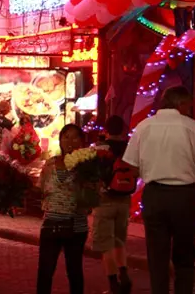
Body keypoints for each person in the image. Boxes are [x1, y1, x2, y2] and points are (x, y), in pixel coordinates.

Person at [123, 86, 195, 294]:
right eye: (188, 106)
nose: (189, 110)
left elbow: (131, 165)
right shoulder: (192, 127)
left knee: (157, 256)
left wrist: (149, 169)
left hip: (155, 195)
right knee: (185, 255)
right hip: (184, 196)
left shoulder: (144, 126)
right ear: (181, 104)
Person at [36, 124, 89, 294]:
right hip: (51, 224)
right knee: (45, 270)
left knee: (74, 271)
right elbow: (40, 188)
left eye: (75, 137)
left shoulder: (87, 166)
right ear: (60, 140)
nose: (70, 141)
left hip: (76, 226)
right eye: (66, 137)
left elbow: (93, 194)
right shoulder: (50, 163)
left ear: (81, 141)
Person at [92, 115, 133, 294]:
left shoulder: (99, 148)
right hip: (124, 200)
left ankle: (113, 283)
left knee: (105, 244)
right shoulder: (129, 148)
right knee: (119, 239)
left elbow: (92, 173)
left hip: (104, 200)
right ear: (123, 129)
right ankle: (124, 272)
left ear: (106, 129)